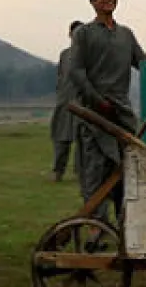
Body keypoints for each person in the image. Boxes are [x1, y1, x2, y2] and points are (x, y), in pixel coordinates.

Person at [71, 0, 146, 225]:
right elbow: (77, 72)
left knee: (127, 174)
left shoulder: (126, 35)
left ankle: (126, 226)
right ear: (93, 1)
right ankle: (96, 229)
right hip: (94, 117)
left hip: (123, 117)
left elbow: (145, 65)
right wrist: (97, 101)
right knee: (95, 172)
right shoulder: (83, 33)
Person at [50, 21, 84, 182]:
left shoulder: (90, 54)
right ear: (70, 35)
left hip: (82, 103)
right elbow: (60, 78)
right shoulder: (64, 55)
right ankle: (58, 171)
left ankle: (81, 173)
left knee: (82, 140)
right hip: (64, 102)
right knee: (61, 139)